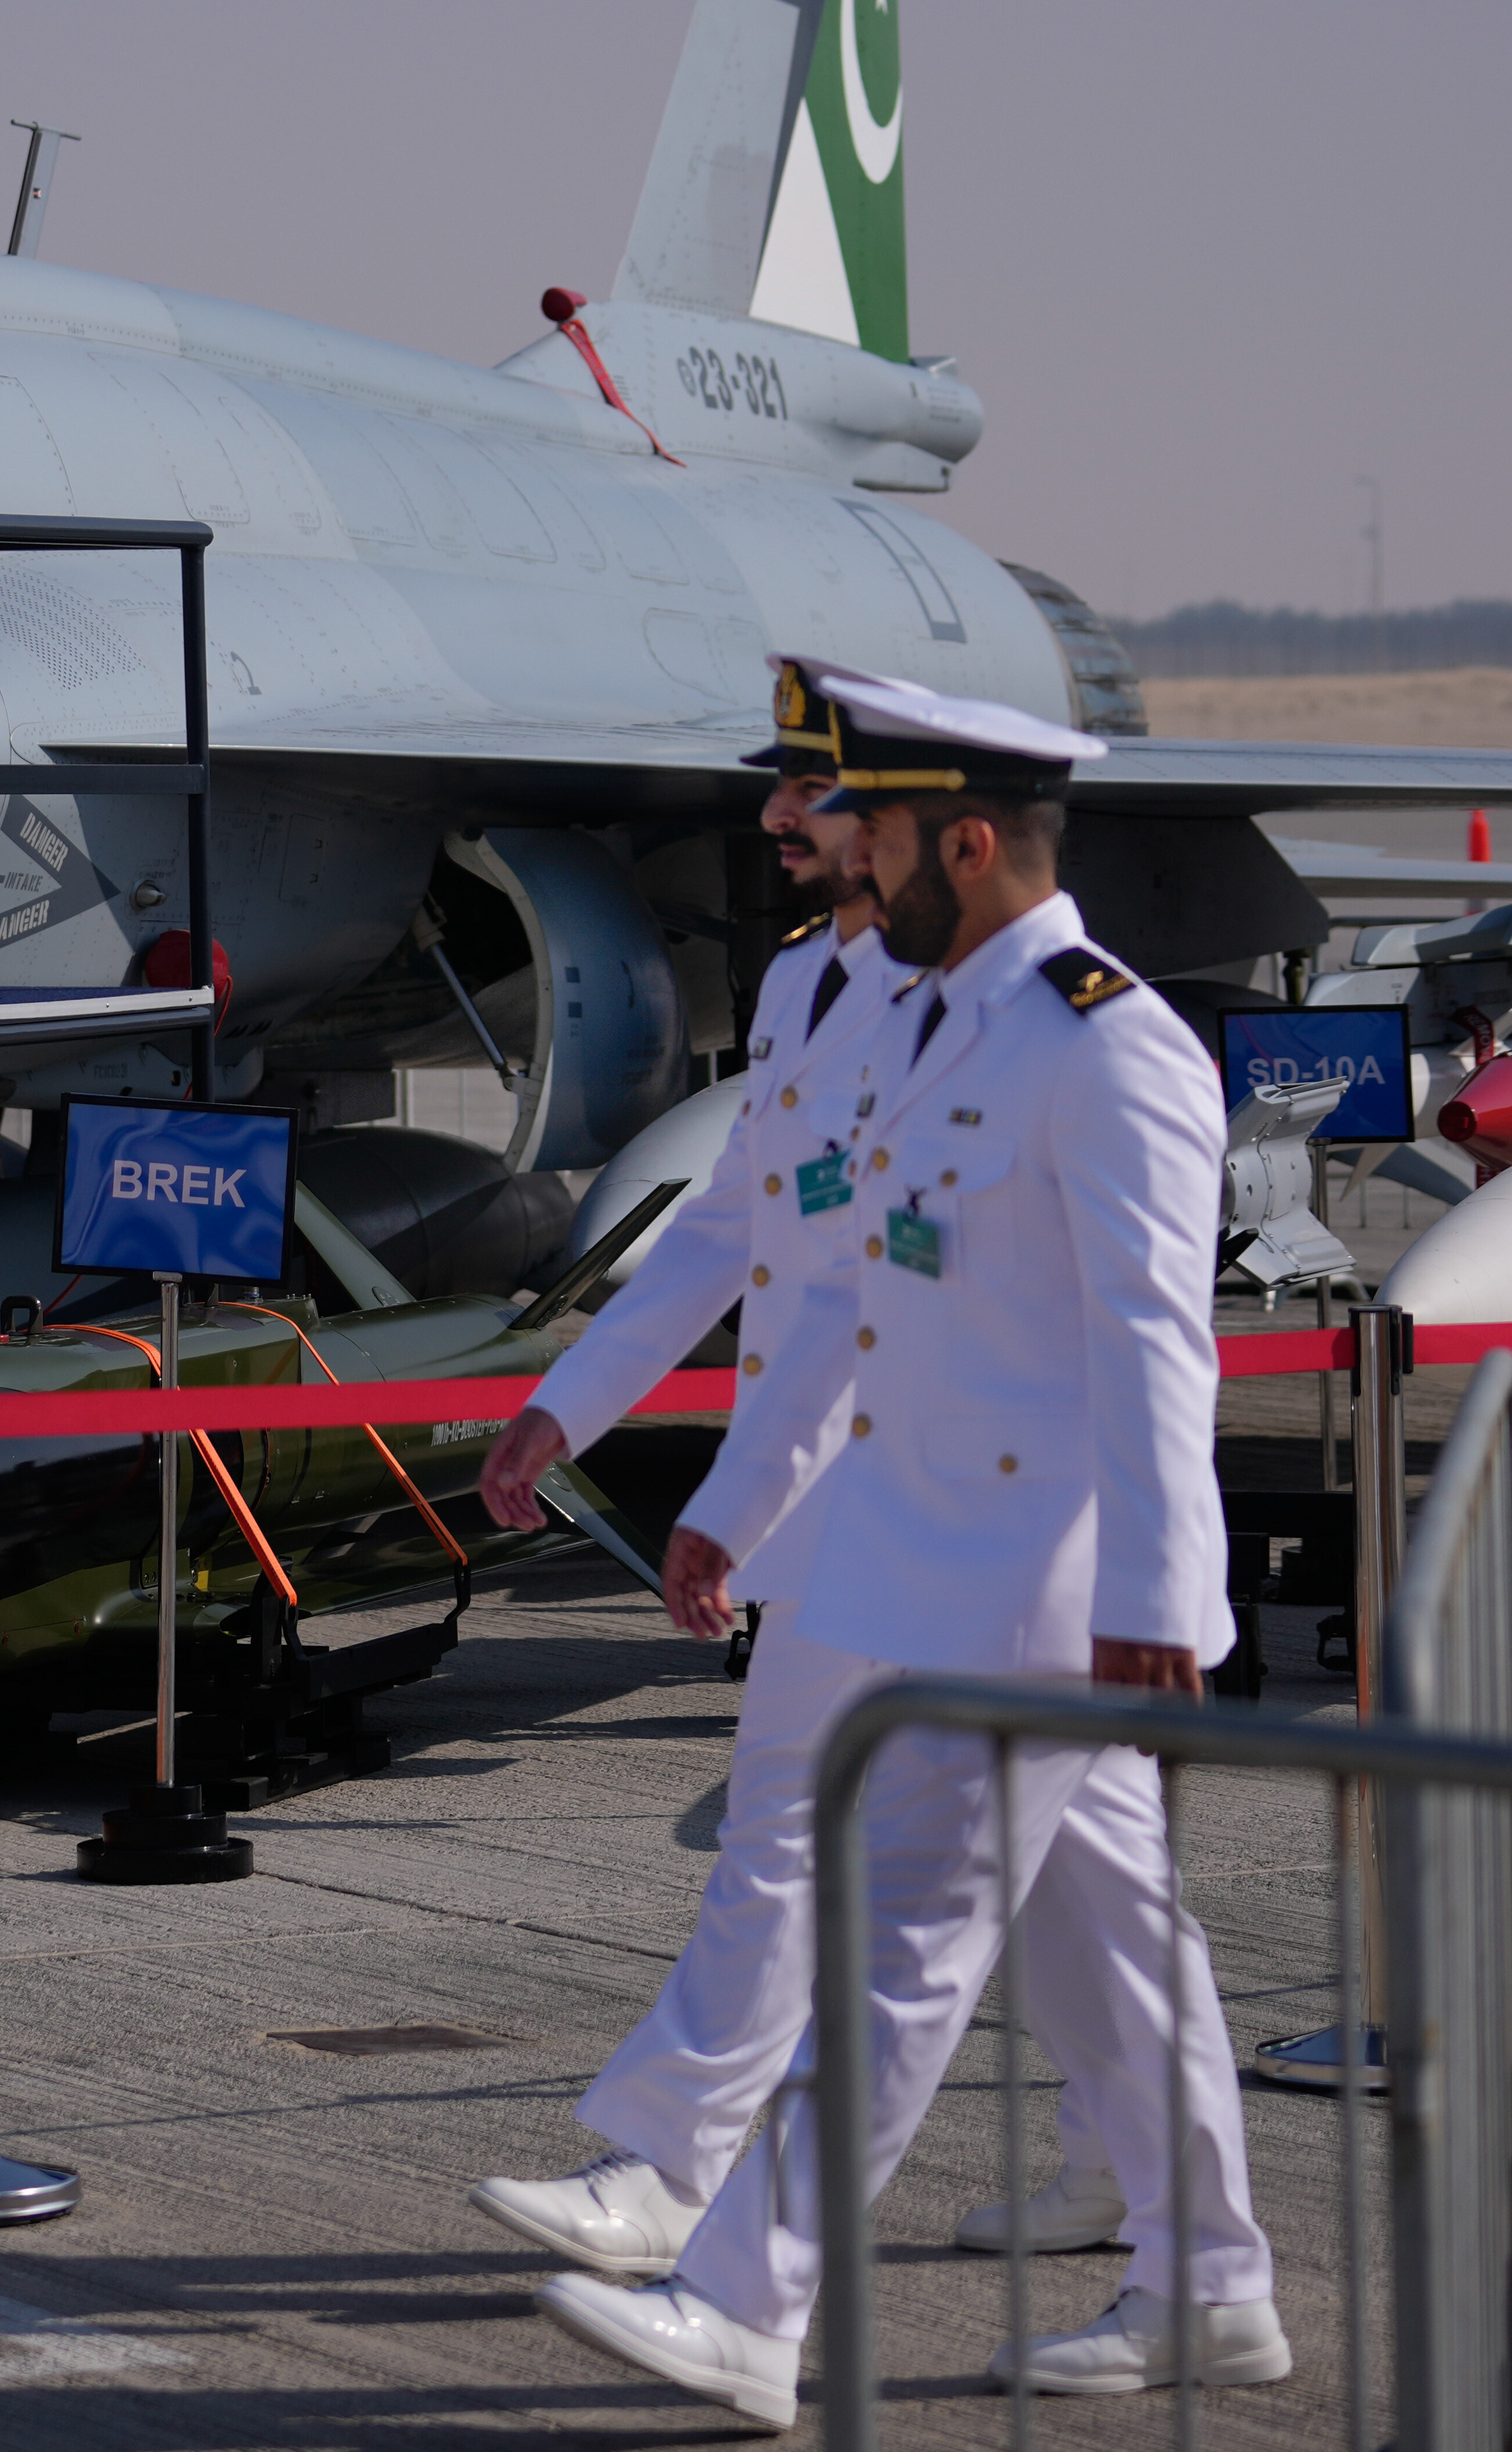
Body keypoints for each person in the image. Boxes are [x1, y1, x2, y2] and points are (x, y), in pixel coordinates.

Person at [531, 668, 1283, 2431]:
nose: (837, 852)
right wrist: (733, 1502)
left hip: (1042, 1587)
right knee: (1111, 1944)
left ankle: (746, 2302)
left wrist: (1163, 1607)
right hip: (929, 1554)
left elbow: (1159, 1348)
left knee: (903, 1946)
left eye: (866, 825)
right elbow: (846, 1299)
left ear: (964, 841)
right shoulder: (938, 1022)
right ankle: (1211, 2284)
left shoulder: (1109, 1045)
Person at [467, 664, 1130, 2287]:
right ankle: (1154, 2182)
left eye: (813, 793)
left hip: (957, 1504)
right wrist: (572, 1404)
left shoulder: (989, 1005)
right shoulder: (803, 983)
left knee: (862, 1846)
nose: (776, 817)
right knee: (1055, 1877)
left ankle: (684, 2189)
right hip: (844, 1491)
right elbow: (738, 1226)